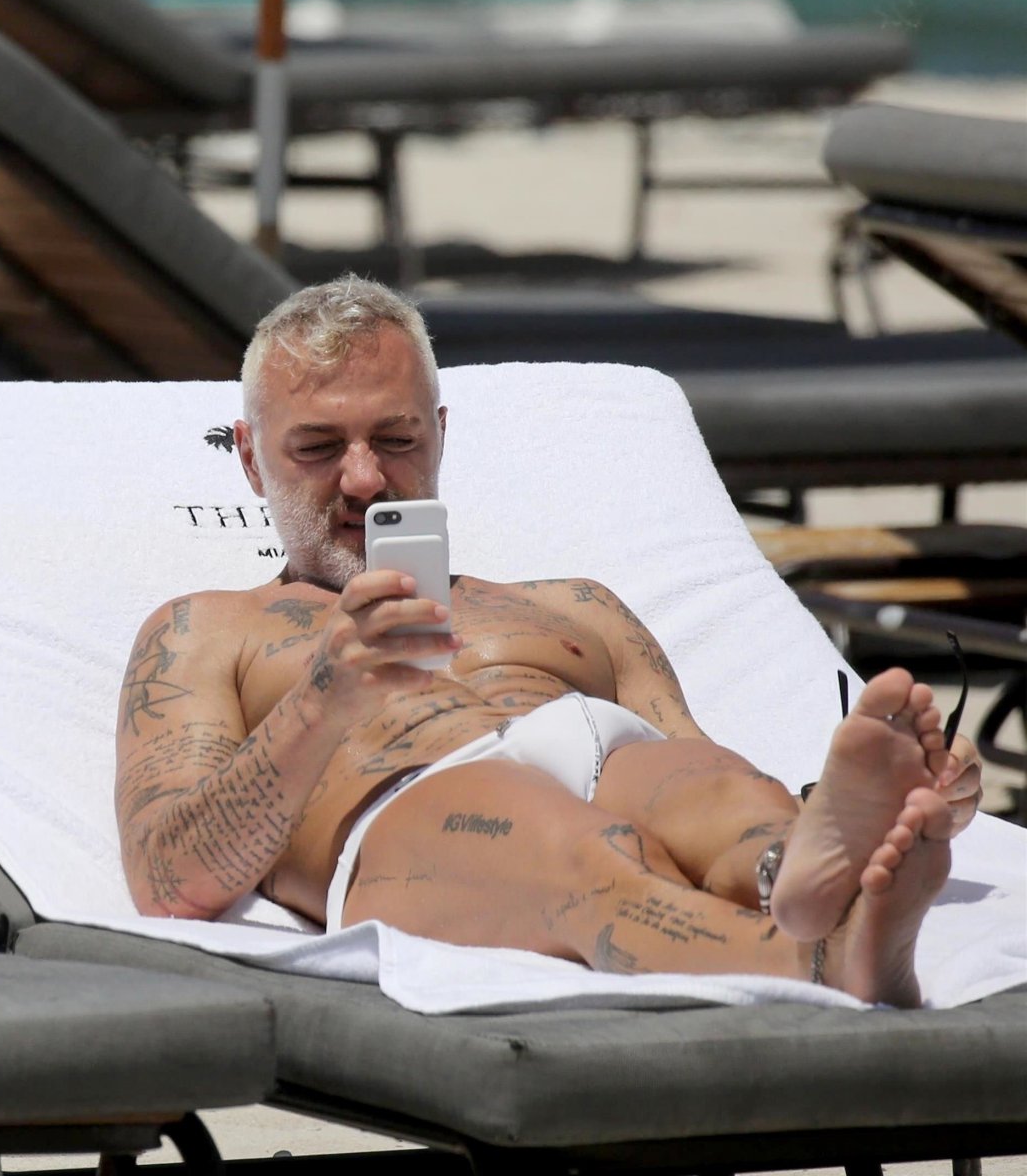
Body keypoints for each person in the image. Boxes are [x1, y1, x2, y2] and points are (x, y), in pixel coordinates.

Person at [114, 275, 982, 1007]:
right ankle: (818, 959)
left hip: (606, 747)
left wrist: (892, 809)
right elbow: (168, 877)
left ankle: (816, 880)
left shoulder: (576, 606)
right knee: (590, 860)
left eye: (397, 439)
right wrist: (322, 701)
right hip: (412, 804)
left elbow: (691, 755)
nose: (366, 478)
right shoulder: (205, 629)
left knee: (725, 794)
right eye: (317, 447)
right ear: (250, 459)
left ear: (440, 434)